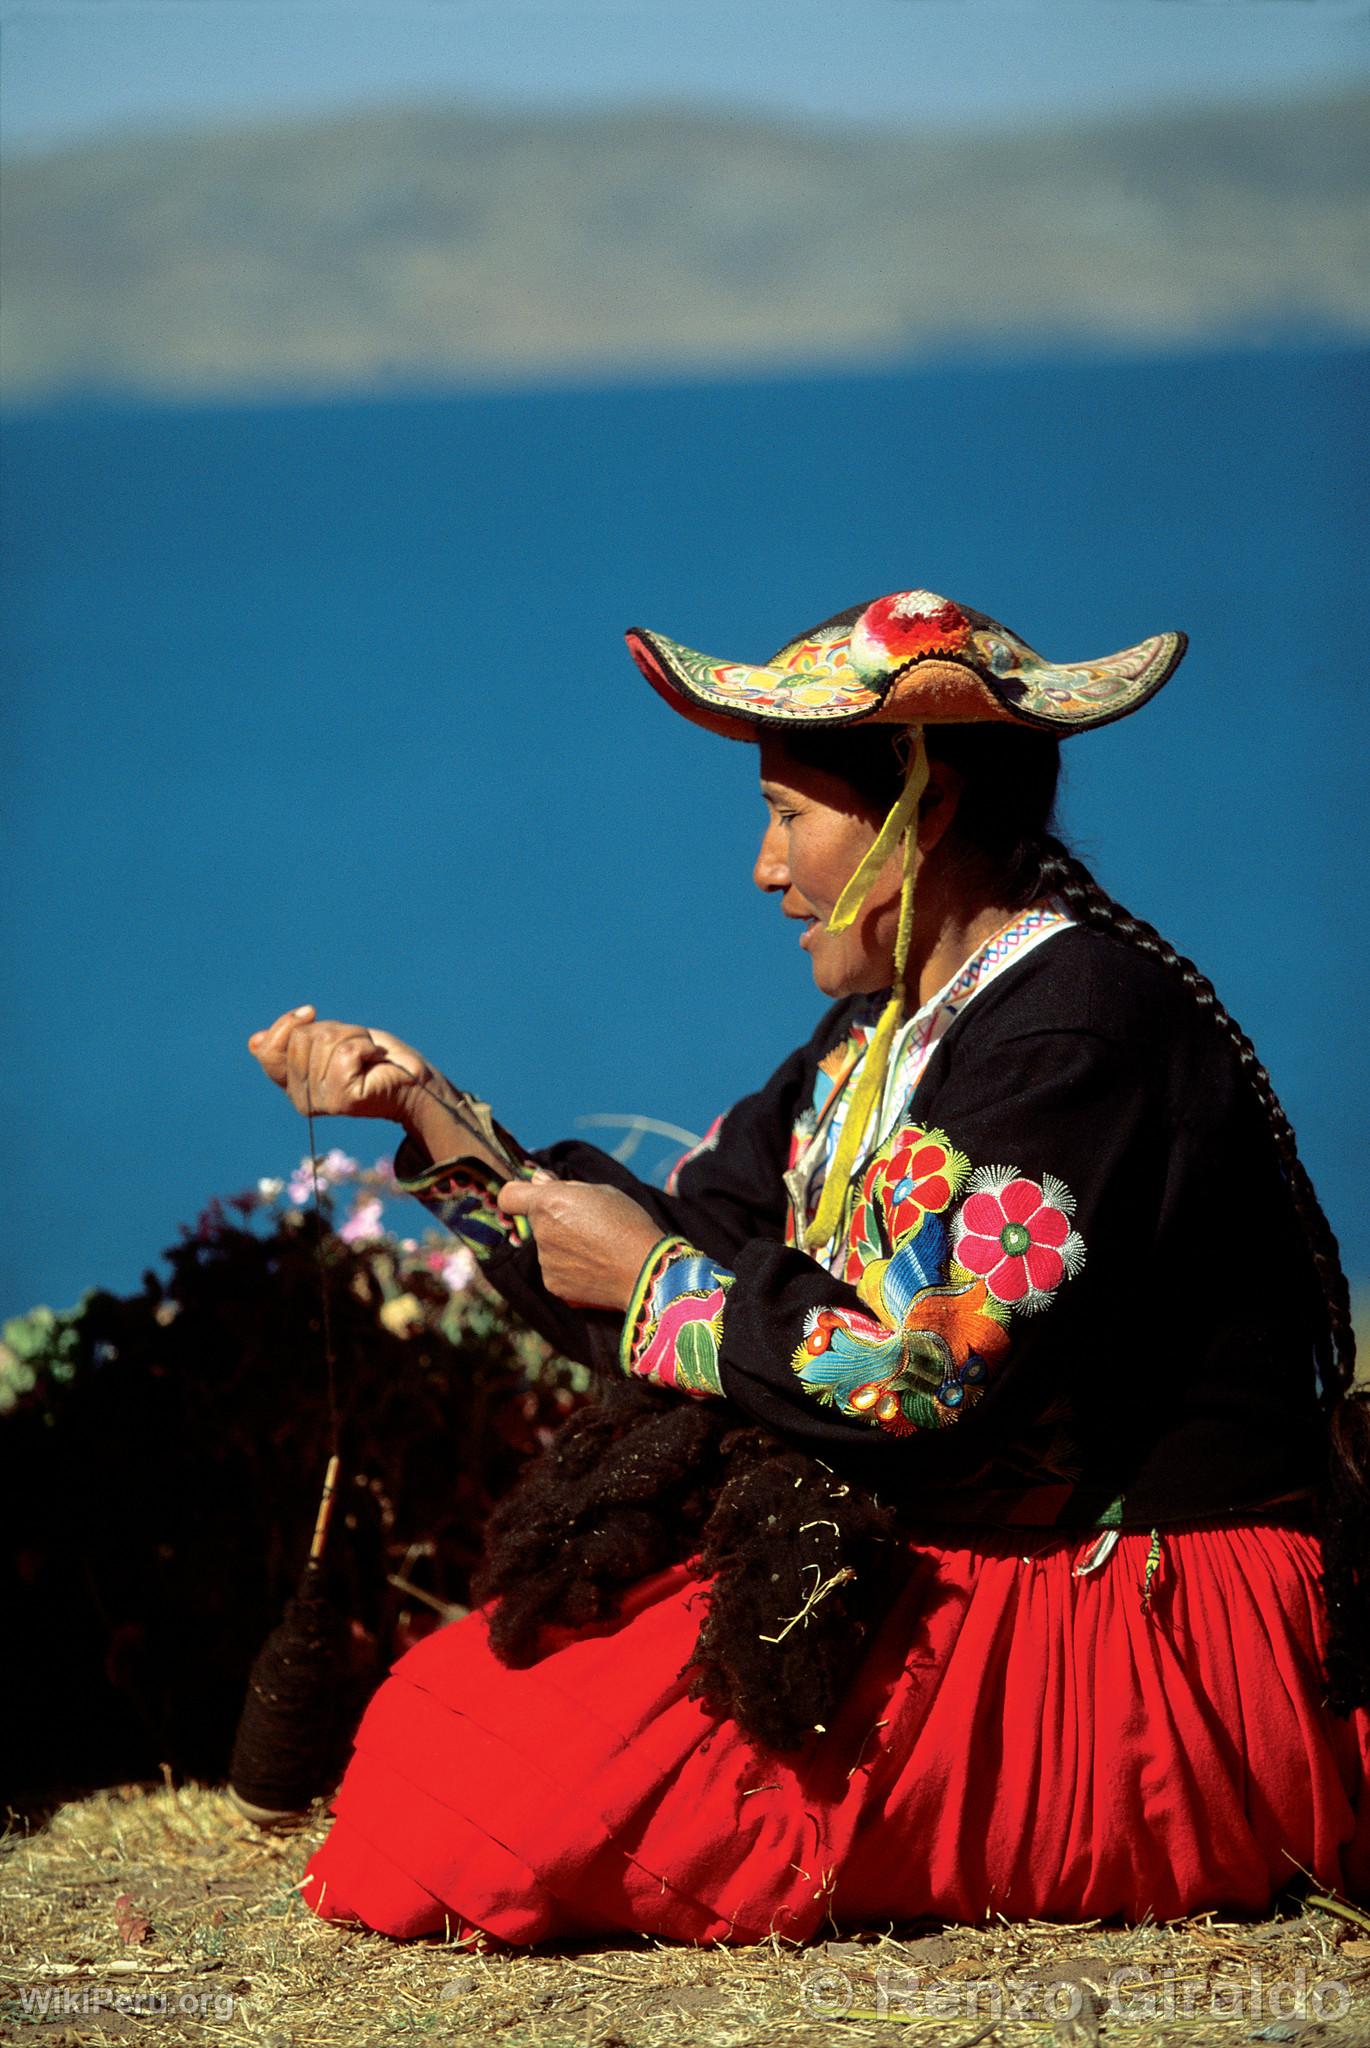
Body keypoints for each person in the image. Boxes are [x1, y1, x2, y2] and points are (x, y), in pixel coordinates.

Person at [249, 587, 1370, 1939]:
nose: (765, 869)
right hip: (986, 1570)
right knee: (452, 1713)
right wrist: (428, 1115)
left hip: (1147, 1627)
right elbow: (700, 1231)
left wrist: (660, 1289)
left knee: (484, 1807)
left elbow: (922, 1382)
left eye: (789, 816)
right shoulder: (877, 1036)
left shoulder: (1075, 1034)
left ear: (924, 807)